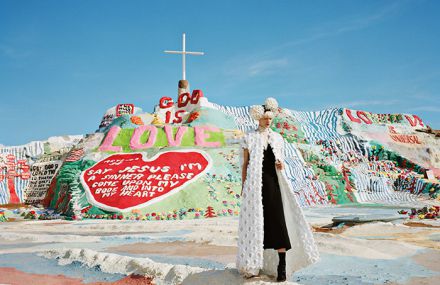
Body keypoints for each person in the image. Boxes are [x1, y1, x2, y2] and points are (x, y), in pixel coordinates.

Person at [236, 97, 320, 282]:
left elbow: (281, 162)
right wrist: (243, 187)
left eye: (270, 118)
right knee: (257, 224)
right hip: (255, 187)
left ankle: (282, 266)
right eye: (265, 118)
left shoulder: (277, 138)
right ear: (258, 118)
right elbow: (245, 165)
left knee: (278, 221)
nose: (268, 121)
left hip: (274, 184)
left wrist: (282, 165)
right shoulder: (249, 137)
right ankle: (253, 264)